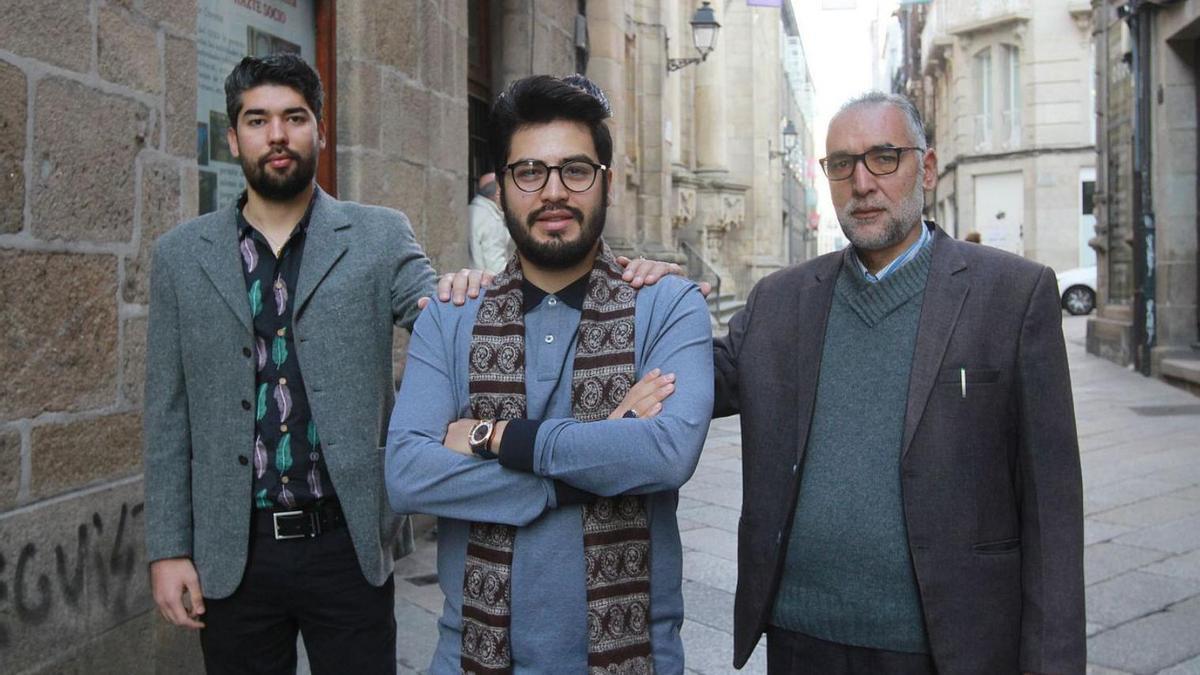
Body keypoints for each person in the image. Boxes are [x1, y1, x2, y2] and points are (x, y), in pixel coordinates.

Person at [708, 92, 1085, 673]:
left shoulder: (1011, 295)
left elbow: (1051, 510)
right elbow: (695, 380)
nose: (861, 182)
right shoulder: (780, 301)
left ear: (926, 168)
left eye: (884, 158)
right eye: (841, 164)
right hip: (800, 638)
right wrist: (649, 295)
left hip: (946, 645)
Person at [385, 74, 713, 674]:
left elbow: (666, 453)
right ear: (502, 188)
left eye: (576, 170)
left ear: (606, 184)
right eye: (530, 172)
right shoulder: (451, 317)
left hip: (634, 658)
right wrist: (590, 469)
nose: (553, 191)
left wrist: (493, 438)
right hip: (472, 659)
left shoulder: (667, 305)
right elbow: (407, 475)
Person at [143, 54, 438, 674]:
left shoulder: (380, 237)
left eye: (293, 117)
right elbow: (166, 416)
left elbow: (449, 325)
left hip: (347, 542)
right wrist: (168, 549)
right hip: (233, 550)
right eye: (257, 120)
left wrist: (600, 279)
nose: (276, 135)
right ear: (233, 138)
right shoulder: (179, 257)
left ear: (320, 131)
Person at [468, 172, 510, 274]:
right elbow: (496, 265)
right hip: (487, 284)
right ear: (498, 193)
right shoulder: (492, 219)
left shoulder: (470, 210)